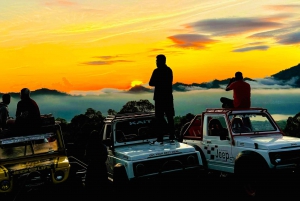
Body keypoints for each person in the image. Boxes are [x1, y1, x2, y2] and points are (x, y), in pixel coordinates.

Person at [149, 54, 175, 145]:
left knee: (160, 119)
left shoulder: (157, 71)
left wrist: (158, 81)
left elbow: (151, 82)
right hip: (167, 98)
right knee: (169, 118)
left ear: (161, 61)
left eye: (157, 61)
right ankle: (172, 137)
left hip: (160, 98)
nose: (156, 63)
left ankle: (160, 138)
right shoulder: (169, 70)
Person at [85, 130, 109, 197]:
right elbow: (105, 156)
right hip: (101, 167)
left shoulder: (89, 146)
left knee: (91, 187)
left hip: (92, 167)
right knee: (103, 186)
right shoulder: (103, 146)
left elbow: (87, 156)